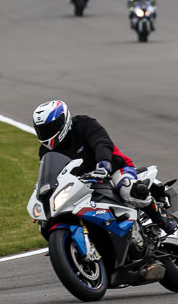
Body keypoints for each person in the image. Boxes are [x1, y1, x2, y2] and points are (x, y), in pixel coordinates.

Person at [32, 100, 177, 234]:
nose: (46, 133)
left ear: (64, 121)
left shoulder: (84, 124)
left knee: (128, 189)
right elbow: (49, 174)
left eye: (49, 128)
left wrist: (103, 165)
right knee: (48, 221)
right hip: (79, 184)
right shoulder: (45, 151)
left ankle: (161, 218)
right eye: (42, 130)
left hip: (113, 169)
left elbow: (101, 143)